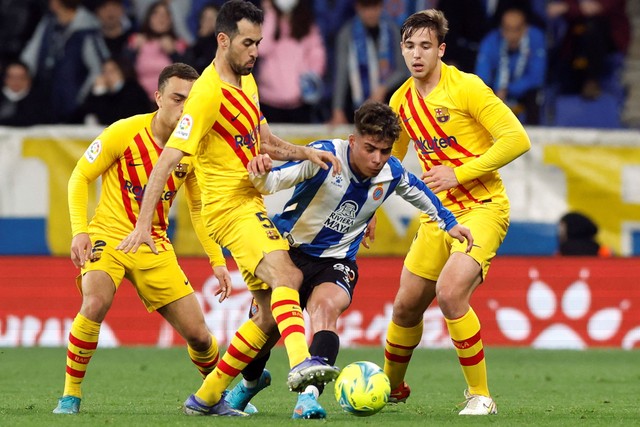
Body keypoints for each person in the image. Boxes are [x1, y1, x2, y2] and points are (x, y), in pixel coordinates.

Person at [116, 0, 341, 417]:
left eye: (258, 42)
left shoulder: (246, 81)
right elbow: (167, 160)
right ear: (223, 40)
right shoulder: (205, 95)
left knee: (270, 315)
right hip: (229, 208)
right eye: (247, 43)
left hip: (249, 200)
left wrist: (307, 153)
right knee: (288, 274)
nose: (255, 51)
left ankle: (205, 397)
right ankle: (302, 369)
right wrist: (144, 224)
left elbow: (266, 142)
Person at [223, 100, 474, 419]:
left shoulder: (390, 173)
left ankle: (309, 398)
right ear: (354, 141)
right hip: (287, 252)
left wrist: (450, 224)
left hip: (336, 261)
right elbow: (273, 182)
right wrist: (259, 173)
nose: (377, 159)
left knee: (326, 310)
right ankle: (250, 383)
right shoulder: (323, 156)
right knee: (264, 329)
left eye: (385, 151)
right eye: (370, 148)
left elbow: (422, 194)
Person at [52, 63, 232, 415]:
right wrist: (80, 231)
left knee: (199, 334)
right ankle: (70, 395)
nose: (184, 108)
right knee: (95, 303)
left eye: (190, 100)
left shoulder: (191, 148)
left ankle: (216, 395)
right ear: (159, 97)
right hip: (110, 237)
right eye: (177, 98)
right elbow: (79, 177)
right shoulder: (124, 131)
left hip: (155, 245)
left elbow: (198, 208)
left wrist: (217, 260)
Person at [381, 9, 531, 415]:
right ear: (401, 48)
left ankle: (481, 396)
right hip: (439, 216)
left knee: (449, 293)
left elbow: (517, 139)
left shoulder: (467, 87)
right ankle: (390, 388)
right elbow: (388, 166)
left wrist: (459, 173)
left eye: (426, 46)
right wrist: (366, 214)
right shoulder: (401, 101)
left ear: (441, 49)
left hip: (483, 208)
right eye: (410, 45)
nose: (417, 54)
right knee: (405, 306)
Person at [20, 0, 110, 124]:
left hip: (74, 104)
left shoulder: (87, 30)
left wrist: (81, 97)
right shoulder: (48, 23)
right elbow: (30, 56)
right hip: (45, 97)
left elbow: (98, 68)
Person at [329, 0, 407, 125]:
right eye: (366, 8)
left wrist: (383, 88)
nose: (370, 13)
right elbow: (341, 74)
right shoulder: (347, 34)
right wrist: (337, 109)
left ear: (381, 6)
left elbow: (403, 70)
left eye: (374, 7)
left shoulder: (393, 30)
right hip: (357, 106)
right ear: (358, 8)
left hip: (391, 104)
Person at [255, 0, 326, 123]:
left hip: (299, 103)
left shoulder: (307, 24)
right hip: (269, 101)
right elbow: (261, 48)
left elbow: (317, 54)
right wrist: (271, 13)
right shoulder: (266, 21)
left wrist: (310, 80)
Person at [475, 7, 546, 125]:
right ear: (501, 29)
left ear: (525, 28)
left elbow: (536, 77)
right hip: (496, 90)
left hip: (524, 90)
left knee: (536, 94)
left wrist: (509, 89)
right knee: (480, 94)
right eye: (507, 29)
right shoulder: (490, 41)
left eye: (516, 29)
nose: (512, 35)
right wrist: (494, 93)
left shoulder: (536, 38)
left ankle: (533, 136)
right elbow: (482, 75)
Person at [125, 0, 189, 102]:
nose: (161, 18)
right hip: (140, 100)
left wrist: (173, 53)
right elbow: (122, 71)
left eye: (165, 15)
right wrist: (133, 52)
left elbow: (189, 75)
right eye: (156, 14)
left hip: (170, 101)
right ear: (149, 18)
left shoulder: (179, 44)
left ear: (171, 20)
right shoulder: (136, 41)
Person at [75, 57, 152, 125]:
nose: (107, 75)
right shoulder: (106, 92)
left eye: (112, 71)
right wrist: (98, 92)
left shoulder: (133, 92)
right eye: (104, 71)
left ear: (123, 71)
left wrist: (101, 94)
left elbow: (111, 119)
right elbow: (82, 114)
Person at [0, 60, 42, 127]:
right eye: (12, 77)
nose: (16, 81)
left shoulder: (40, 101)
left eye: (21, 78)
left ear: (29, 80)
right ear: (5, 79)